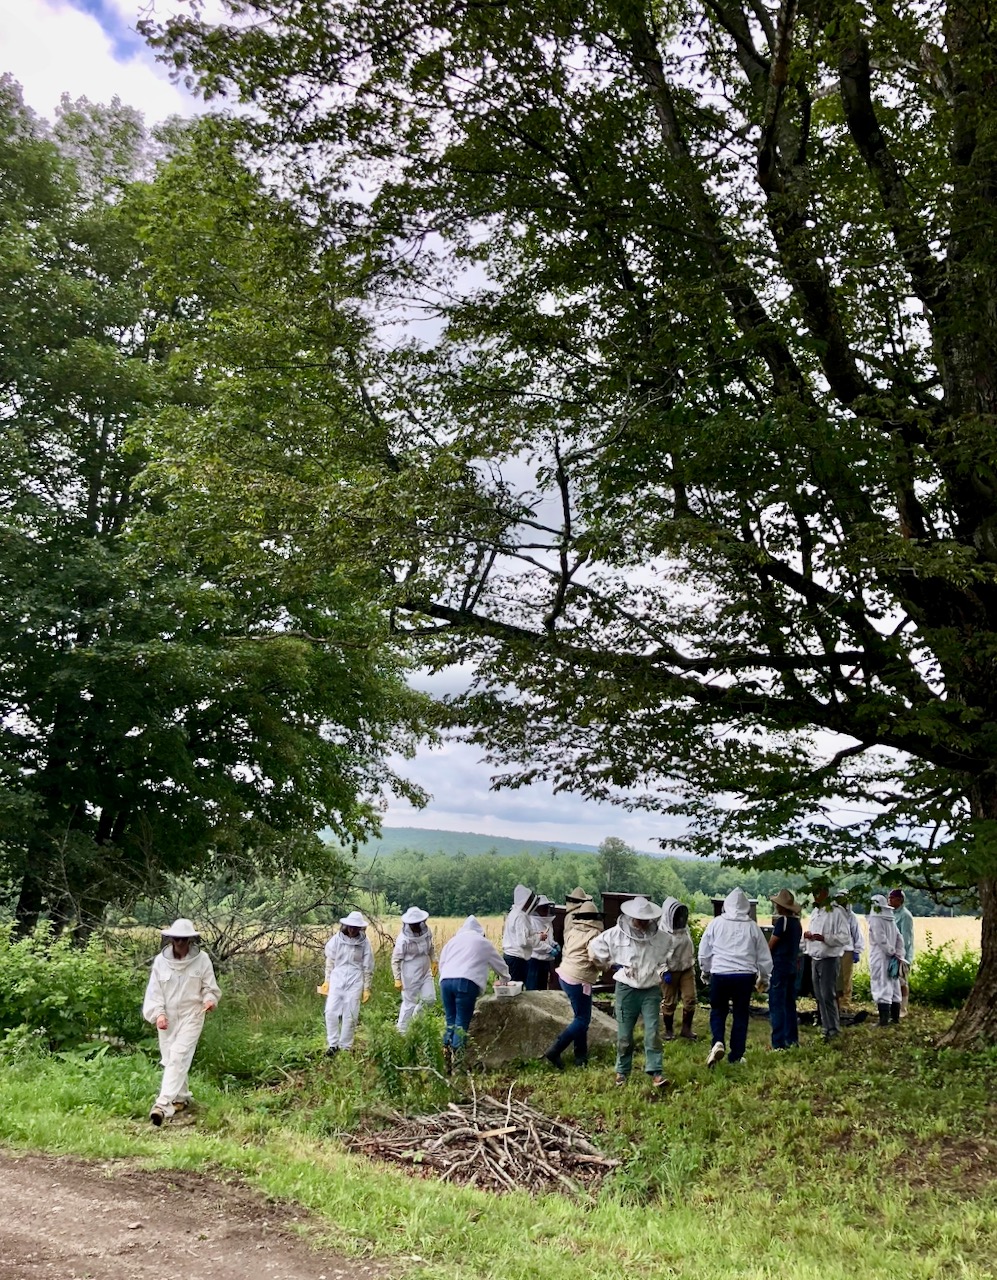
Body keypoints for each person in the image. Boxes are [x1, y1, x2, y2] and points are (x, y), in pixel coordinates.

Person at [588, 895, 675, 1088]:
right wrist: (610, 965)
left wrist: (664, 969)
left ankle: (656, 1073)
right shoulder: (615, 934)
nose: (642, 924)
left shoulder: (660, 937)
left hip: (651, 989)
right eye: (638, 920)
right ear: (631, 917)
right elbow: (594, 949)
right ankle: (622, 1072)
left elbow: (668, 952)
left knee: (652, 1032)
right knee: (625, 1035)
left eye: (645, 920)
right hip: (626, 989)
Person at [142, 918, 220, 1126]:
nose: (180, 944)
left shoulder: (202, 960)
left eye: (184, 940)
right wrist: (158, 1014)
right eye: (177, 940)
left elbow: (209, 987)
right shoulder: (161, 961)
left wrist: (209, 1000)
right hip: (167, 1017)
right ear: (171, 940)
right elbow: (155, 991)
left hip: (192, 1014)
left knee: (178, 1055)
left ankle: (162, 1105)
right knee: (170, 1059)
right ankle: (181, 1098)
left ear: (191, 941)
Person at [698, 888, 772, 1067]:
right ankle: (736, 1056)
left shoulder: (716, 924)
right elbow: (763, 955)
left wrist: (705, 971)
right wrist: (764, 977)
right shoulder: (752, 926)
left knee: (718, 1010)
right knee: (740, 1014)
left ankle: (717, 1042)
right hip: (744, 976)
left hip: (720, 974)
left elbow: (704, 952)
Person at [437, 915, 510, 1071]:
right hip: (465, 982)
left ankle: (446, 1060)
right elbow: (500, 964)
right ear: (480, 932)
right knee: (461, 1023)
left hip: (445, 982)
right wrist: (505, 979)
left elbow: (442, 963)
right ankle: (458, 1065)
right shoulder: (483, 942)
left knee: (450, 1021)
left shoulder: (452, 942)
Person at [544, 888, 602, 1069]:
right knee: (583, 1019)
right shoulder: (593, 934)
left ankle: (580, 1056)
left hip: (565, 975)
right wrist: (606, 966)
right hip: (580, 978)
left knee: (580, 1017)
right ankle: (556, 1049)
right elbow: (595, 958)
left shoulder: (573, 930)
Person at [803, 884, 852, 1042]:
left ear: (825, 892)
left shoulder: (837, 912)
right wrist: (808, 937)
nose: (815, 896)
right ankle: (826, 1027)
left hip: (829, 958)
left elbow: (844, 937)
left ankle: (834, 1029)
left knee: (828, 995)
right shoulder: (815, 912)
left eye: (817, 892)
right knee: (819, 995)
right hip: (815, 957)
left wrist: (825, 938)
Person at [321, 910, 374, 1055]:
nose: (352, 929)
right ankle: (333, 1044)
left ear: (360, 928)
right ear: (346, 926)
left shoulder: (365, 943)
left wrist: (366, 988)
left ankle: (345, 1047)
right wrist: (327, 980)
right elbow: (330, 961)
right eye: (350, 926)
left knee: (350, 1015)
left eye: (356, 927)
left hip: (355, 980)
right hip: (337, 978)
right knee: (330, 1011)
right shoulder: (337, 940)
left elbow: (367, 966)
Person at [391, 906, 438, 1031]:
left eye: (417, 923)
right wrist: (397, 978)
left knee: (430, 999)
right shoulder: (403, 940)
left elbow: (431, 947)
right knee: (409, 1004)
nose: (415, 926)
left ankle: (416, 1023)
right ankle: (402, 1032)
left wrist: (434, 960)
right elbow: (396, 960)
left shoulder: (427, 932)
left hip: (425, 970)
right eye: (413, 924)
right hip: (409, 973)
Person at [767, 890, 803, 1050]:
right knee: (789, 1004)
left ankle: (778, 1043)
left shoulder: (783, 922)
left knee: (777, 1004)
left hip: (779, 965)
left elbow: (772, 944)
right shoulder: (797, 923)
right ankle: (792, 1039)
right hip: (792, 965)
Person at [659, 897, 698, 1041]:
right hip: (669, 970)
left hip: (686, 968)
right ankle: (668, 1031)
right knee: (669, 1002)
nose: (680, 918)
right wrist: (664, 970)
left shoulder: (684, 929)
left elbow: (690, 947)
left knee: (690, 998)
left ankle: (686, 1030)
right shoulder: (661, 932)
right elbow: (657, 955)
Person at [868, 894, 905, 1026]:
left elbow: (880, 938)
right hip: (892, 958)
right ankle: (895, 1018)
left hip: (880, 957)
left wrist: (891, 951)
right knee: (894, 986)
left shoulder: (876, 919)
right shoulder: (890, 918)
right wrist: (898, 953)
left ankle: (883, 1021)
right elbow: (899, 938)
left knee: (881, 985)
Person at [501, 883, 542, 984]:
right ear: (525, 901)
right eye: (530, 900)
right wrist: (539, 937)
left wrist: (535, 934)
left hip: (513, 958)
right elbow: (523, 941)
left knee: (513, 988)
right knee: (515, 990)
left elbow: (523, 934)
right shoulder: (520, 916)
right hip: (516, 959)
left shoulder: (514, 913)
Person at [834, 891, 865, 1012]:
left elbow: (856, 934)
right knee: (836, 977)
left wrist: (857, 950)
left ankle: (845, 1003)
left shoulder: (851, 916)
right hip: (835, 949)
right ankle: (836, 1001)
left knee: (846, 978)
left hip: (847, 950)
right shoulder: (833, 915)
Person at [889, 888, 915, 1016]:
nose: (890, 900)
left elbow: (906, 938)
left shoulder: (905, 915)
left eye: (892, 898)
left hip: (902, 955)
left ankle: (903, 1008)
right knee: (892, 982)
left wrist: (900, 954)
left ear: (899, 900)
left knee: (902, 982)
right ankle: (893, 1007)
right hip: (892, 953)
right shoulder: (891, 913)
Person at [526, 896, 558, 990]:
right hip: (534, 961)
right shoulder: (531, 922)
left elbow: (549, 938)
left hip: (545, 961)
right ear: (537, 908)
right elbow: (534, 944)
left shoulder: (548, 922)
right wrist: (549, 949)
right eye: (543, 907)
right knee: (533, 990)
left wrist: (553, 944)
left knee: (542, 990)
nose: (546, 910)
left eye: (547, 907)